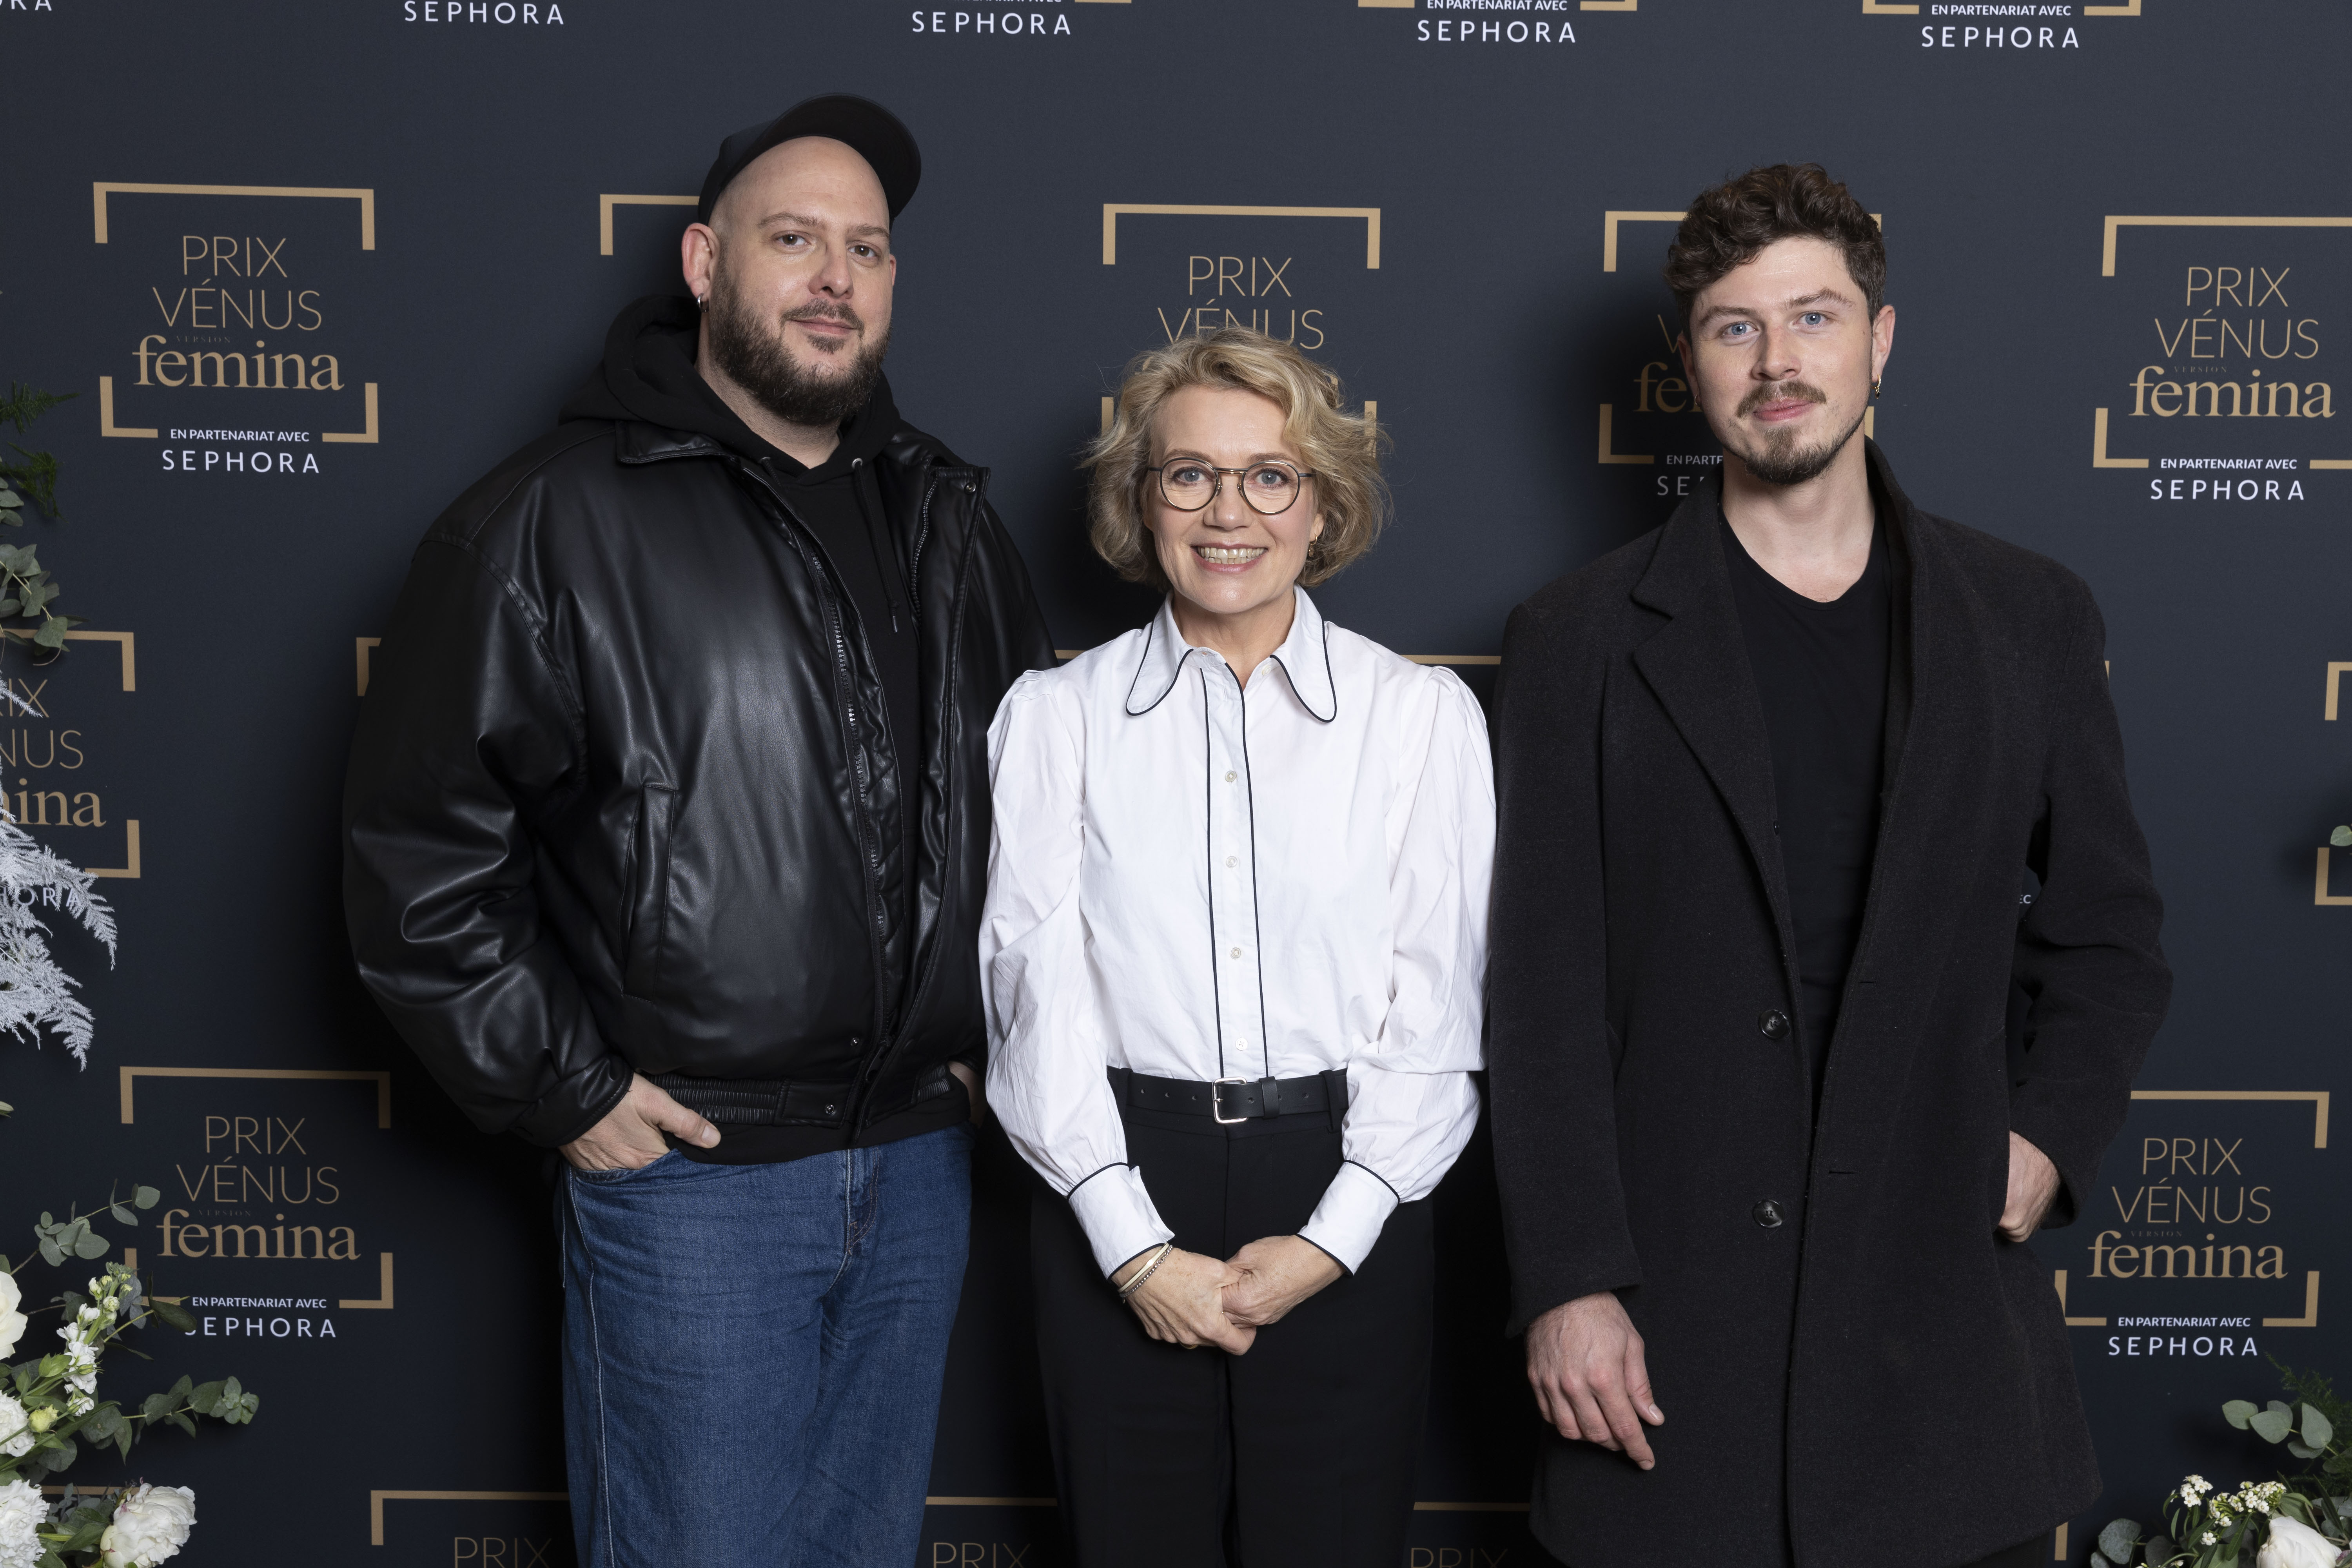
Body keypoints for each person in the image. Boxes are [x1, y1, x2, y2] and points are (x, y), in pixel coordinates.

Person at [341, 95, 1054, 1567]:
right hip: (694, 1183)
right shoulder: (547, 522)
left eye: (868, 249)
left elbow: (1032, 817)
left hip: (919, 1167)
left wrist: (995, 1037)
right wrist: (565, 1087)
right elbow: (419, 854)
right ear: (704, 263)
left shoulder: (951, 519)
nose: (835, 277)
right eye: (794, 239)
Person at [1486, 164, 2170, 1568]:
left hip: (1943, 1308)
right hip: (1669, 1326)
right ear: (1690, 362)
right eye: (1735, 328)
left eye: (1813, 318)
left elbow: (2108, 932)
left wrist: (2048, 1136)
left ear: (1881, 340)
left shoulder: (2030, 617)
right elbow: (1539, 993)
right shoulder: (1577, 638)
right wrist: (1568, 1282)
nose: (1777, 362)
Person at [980, 327, 1493, 1567]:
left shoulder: (1418, 717)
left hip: (1352, 1177)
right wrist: (1130, 1246)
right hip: (1114, 1175)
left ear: (1322, 504)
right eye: (1190, 475)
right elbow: (1032, 994)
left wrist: (1334, 1238)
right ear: (1141, 500)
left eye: (1270, 475)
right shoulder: (1056, 718)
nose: (1229, 513)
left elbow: (1437, 1009)